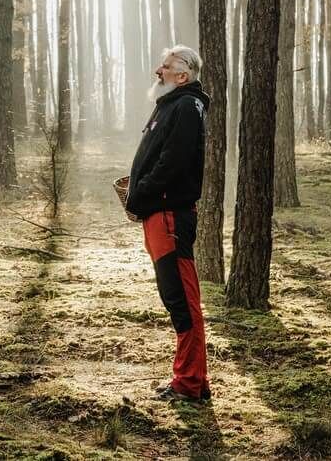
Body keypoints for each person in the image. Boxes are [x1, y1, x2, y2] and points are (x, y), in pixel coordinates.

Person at [125, 45, 212, 403]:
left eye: (165, 66)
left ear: (183, 75)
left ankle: (189, 383)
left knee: (182, 300)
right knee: (173, 296)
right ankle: (192, 378)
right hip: (159, 214)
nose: (157, 71)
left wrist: (141, 193)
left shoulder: (187, 107)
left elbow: (172, 163)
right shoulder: (170, 105)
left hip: (171, 216)